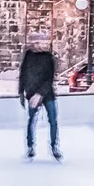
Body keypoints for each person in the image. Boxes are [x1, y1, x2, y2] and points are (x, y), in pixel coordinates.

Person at [18, 33, 60, 161]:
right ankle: (30, 146)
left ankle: (54, 147)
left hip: (47, 94)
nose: (37, 45)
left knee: (53, 120)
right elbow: (23, 73)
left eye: (39, 43)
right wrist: (21, 92)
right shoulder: (28, 56)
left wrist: (40, 94)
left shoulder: (48, 58)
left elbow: (49, 78)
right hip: (31, 92)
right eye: (35, 43)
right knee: (31, 120)